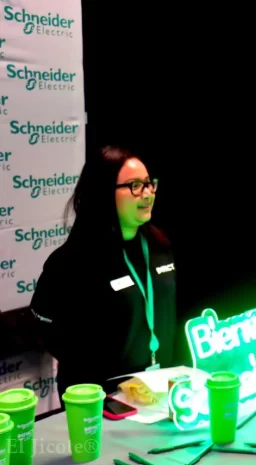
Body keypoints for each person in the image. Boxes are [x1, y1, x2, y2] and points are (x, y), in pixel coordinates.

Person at [31, 145, 177, 402]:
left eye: (149, 184)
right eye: (135, 186)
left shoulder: (159, 246)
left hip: (158, 394)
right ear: (104, 192)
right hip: (100, 402)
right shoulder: (73, 260)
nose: (147, 194)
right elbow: (47, 330)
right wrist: (102, 380)